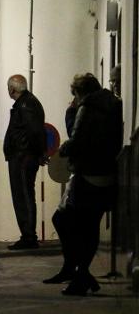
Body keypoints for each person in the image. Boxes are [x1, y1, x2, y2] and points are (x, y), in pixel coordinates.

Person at [45, 73, 122, 296]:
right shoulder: (115, 105)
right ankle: (80, 274)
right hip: (108, 173)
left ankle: (80, 274)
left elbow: (76, 140)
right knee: (90, 227)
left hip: (87, 173)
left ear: (79, 92)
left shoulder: (87, 108)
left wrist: (64, 150)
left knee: (63, 220)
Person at [4, 74, 47, 250]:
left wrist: (34, 152)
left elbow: (34, 131)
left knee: (24, 195)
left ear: (12, 89)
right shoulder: (27, 103)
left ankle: (29, 236)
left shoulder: (26, 104)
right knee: (23, 195)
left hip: (23, 157)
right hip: (23, 155)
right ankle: (27, 234)